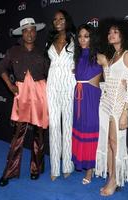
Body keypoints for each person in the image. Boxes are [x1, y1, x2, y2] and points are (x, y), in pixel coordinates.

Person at [0, 18, 49, 186]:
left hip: (41, 94)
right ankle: (9, 172)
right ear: (22, 33)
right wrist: (10, 85)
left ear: (36, 32)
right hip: (22, 95)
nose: (29, 33)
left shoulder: (42, 52)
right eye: (26, 30)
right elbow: (1, 67)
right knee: (17, 135)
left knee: (39, 134)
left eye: (32, 30)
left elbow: (51, 74)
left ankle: (36, 168)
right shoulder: (13, 51)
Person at [95, 18, 128, 196]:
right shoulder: (113, 56)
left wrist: (125, 114)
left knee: (115, 143)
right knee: (108, 143)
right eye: (109, 32)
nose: (111, 35)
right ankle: (111, 176)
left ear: (124, 34)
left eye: (115, 32)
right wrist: (106, 65)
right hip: (106, 103)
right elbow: (109, 80)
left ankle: (114, 180)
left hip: (119, 106)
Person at [45, 10, 76, 181]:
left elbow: (84, 59)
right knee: (54, 126)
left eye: (61, 18)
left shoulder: (74, 40)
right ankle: (55, 168)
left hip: (69, 86)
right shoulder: (49, 41)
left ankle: (67, 166)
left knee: (67, 126)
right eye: (55, 19)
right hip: (52, 86)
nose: (58, 21)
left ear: (67, 20)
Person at [72, 24, 103, 184]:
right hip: (78, 97)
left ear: (92, 38)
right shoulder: (77, 56)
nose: (82, 39)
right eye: (80, 36)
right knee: (80, 129)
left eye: (86, 36)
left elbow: (111, 73)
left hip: (91, 97)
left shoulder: (99, 56)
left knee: (91, 130)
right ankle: (81, 163)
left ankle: (90, 171)